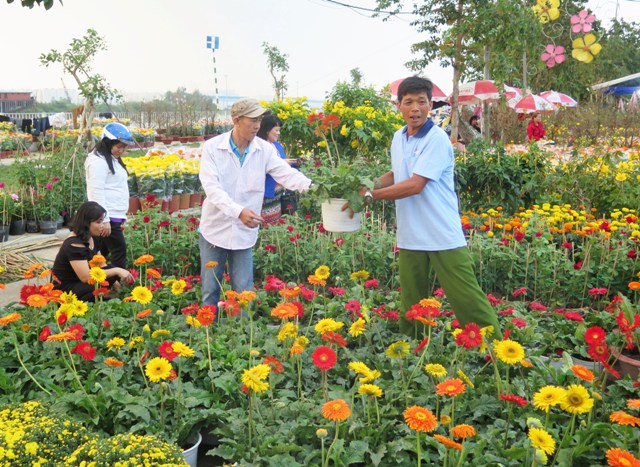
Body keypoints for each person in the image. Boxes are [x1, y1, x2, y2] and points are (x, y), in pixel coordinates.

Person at [357, 76, 502, 338]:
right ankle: (413, 349)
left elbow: (415, 184)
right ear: (398, 105)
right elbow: (398, 172)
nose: (415, 108)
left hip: (441, 233)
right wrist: (369, 184)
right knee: (412, 302)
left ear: (430, 105)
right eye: (408, 102)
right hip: (411, 232)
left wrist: (370, 196)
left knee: (466, 297)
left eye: (421, 102)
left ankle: (497, 351)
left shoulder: (436, 139)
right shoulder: (398, 137)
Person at [199, 98, 312, 307]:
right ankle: (207, 335)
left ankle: (242, 336)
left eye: (259, 119)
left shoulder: (264, 149)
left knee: (244, 290)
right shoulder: (213, 148)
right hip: (215, 228)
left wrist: (314, 187)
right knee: (210, 289)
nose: (258, 125)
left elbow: (286, 174)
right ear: (236, 120)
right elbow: (212, 188)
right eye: (252, 120)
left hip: (244, 231)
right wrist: (238, 211)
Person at [52, 201, 133, 302]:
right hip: (66, 289)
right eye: (98, 222)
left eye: (102, 221)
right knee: (96, 287)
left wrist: (115, 279)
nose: (102, 225)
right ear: (85, 223)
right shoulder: (74, 244)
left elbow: (100, 264)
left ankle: (102, 298)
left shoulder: (93, 238)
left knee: (111, 273)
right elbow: (85, 277)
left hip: (80, 283)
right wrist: (117, 271)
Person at [85, 122, 133, 269]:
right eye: (119, 147)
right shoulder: (98, 161)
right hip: (107, 215)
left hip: (113, 214)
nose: (121, 151)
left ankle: (100, 284)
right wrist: (104, 220)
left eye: (124, 147)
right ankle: (118, 281)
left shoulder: (109, 157)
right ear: (107, 142)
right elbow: (96, 191)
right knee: (119, 251)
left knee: (100, 254)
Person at [257, 115, 301, 223]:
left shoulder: (276, 145)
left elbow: (282, 167)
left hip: (279, 192)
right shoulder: (259, 146)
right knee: (265, 222)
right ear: (267, 130)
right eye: (276, 130)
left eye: (279, 130)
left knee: (277, 222)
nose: (278, 133)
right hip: (266, 191)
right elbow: (260, 167)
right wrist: (282, 162)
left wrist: (295, 163)